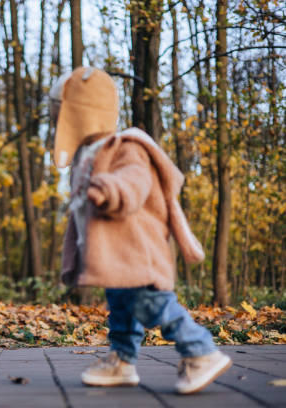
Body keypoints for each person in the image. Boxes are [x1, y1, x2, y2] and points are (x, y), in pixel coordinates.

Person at [50, 67, 232, 394]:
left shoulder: (125, 146)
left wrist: (109, 188)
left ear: (81, 114)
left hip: (136, 251)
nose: (56, 124)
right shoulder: (86, 155)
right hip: (114, 257)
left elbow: (135, 180)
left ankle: (201, 351)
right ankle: (122, 359)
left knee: (152, 303)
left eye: (59, 115)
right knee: (119, 304)